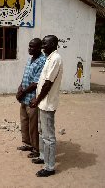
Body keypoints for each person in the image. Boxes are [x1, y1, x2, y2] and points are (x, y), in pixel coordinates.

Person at [30, 35, 63, 177]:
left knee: (49, 137)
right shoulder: (49, 58)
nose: (43, 45)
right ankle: (43, 157)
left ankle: (49, 167)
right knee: (42, 132)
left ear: (54, 44)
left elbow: (48, 84)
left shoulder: (56, 59)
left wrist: (37, 100)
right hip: (42, 103)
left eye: (45, 43)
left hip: (47, 103)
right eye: (42, 43)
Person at [16, 38, 46, 159]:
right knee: (24, 122)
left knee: (33, 125)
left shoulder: (42, 61)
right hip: (24, 97)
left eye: (32, 47)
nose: (30, 49)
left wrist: (23, 92)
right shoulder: (30, 59)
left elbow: (36, 83)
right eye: (29, 46)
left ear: (39, 48)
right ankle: (27, 144)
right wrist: (19, 89)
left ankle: (36, 148)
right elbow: (25, 77)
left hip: (32, 99)